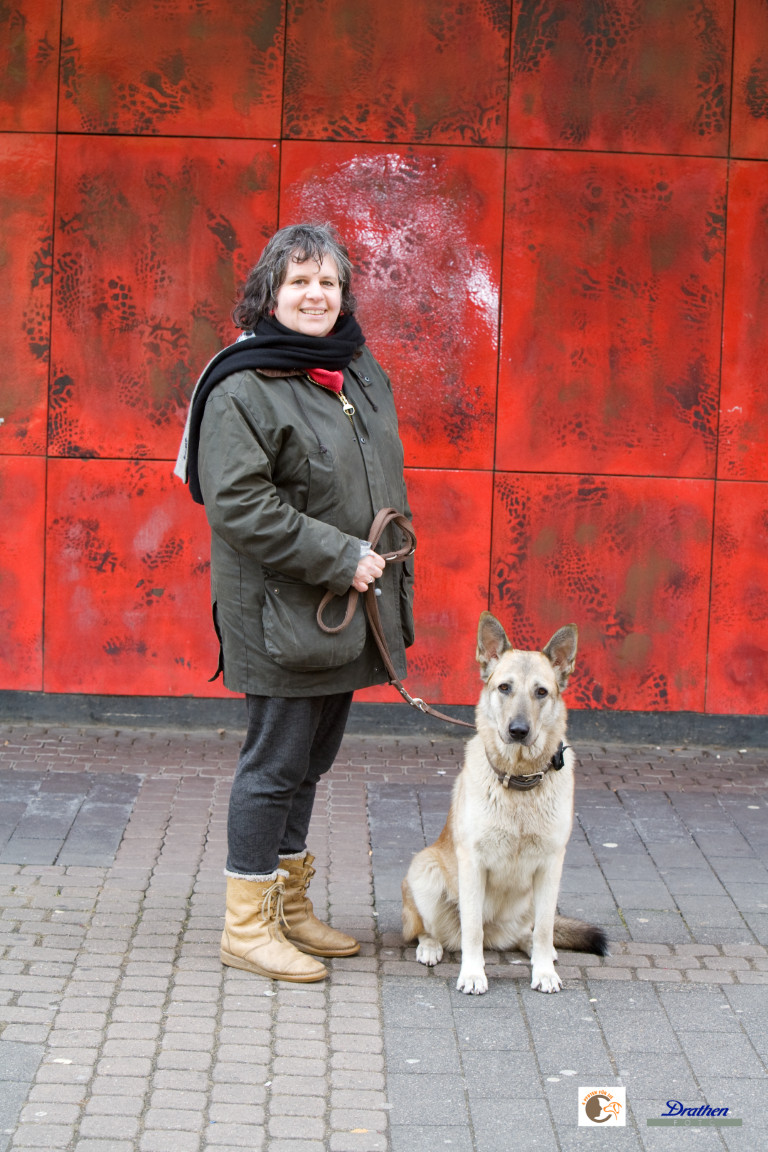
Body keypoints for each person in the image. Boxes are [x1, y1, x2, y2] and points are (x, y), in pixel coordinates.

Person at [175, 222, 414, 982]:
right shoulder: (244, 385)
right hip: (282, 608)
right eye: (299, 281)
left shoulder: (354, 367)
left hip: (346, 605)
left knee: (311, 761)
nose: (316, 295)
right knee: (274, 763)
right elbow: (239, 505)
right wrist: (342, 555)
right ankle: (246, 925)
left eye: (328, 282)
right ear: (270, 294)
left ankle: (287, 902)